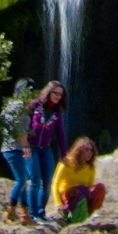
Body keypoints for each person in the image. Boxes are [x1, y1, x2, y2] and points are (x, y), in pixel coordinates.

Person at [26, 80, 69, 223]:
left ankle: (41, 212)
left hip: (45, 149)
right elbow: (22, 124)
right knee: (35, 180)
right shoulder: (35, 105)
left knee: (47, 181)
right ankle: (32, 215)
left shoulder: (57, 113)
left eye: (61, 95)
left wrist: (64, 155)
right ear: (49, 92)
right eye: (56, 93)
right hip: (31, 147)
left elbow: (61, 134)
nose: (58, 97)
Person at [0, 76, 36, 225]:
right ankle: (10, 212)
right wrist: (26, 145)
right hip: (13, 148)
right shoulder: (19, 106)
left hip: (13, 147)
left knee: (23, 181)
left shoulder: (11, 105)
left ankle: (25, 215)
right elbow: (18, 129)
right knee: (21, 181)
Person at [50, 135, 109, 224]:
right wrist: (58, 203)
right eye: (86, 150)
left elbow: (90, 186)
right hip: (68, 195)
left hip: (83, 195)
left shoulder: (90, 167)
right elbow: (55, 183)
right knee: (80, 190)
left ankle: (89, 215)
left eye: (91, 150)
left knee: (100, 188)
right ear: (79, 150)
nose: (90, 152)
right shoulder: (66, 163)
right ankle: (70, 215)